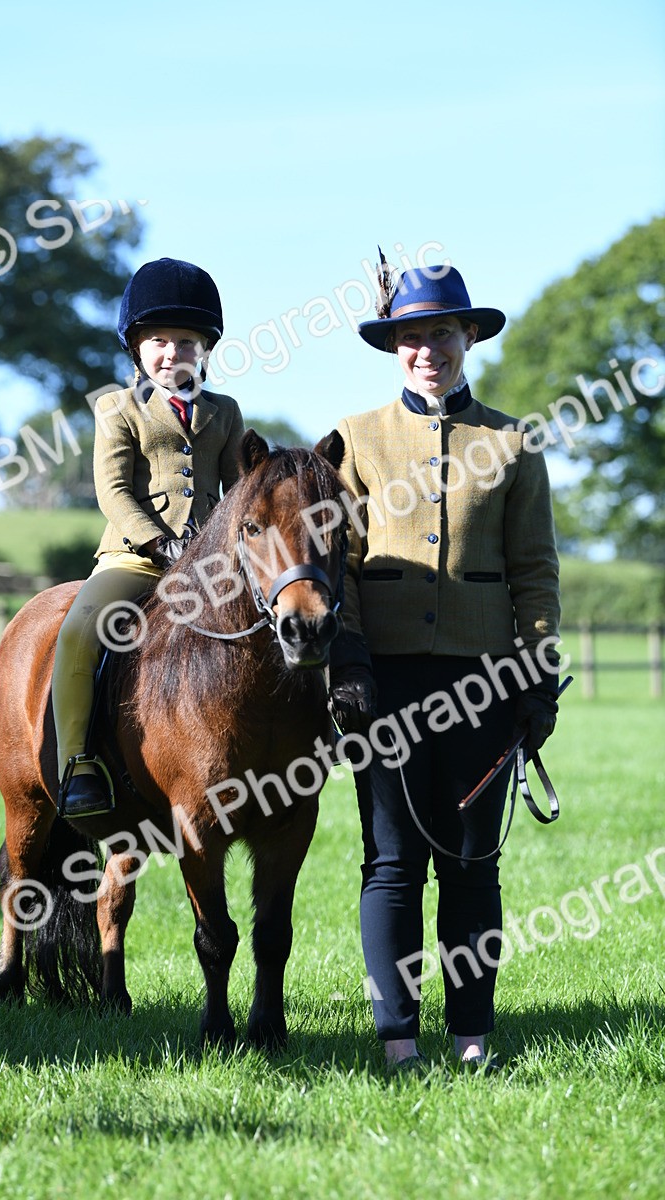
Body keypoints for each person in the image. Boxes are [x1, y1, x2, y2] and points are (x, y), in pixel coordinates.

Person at [329, 261, 561, 1070]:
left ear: (469, 337)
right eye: (412, 336)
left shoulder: (511, 440)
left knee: (472, 863)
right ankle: (397, 1039)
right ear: (394, 347)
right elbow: (340, 566)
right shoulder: (354, 439)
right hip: (386, 682)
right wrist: (349, 662)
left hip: (482, 680)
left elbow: (534, 569)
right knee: (392, 863)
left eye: (442, 333)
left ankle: (471, 1037)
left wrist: (534, 676)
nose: (427, 348)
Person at [52, 257, 245, 818]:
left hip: (212, 562)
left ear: (205, 349)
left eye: (186, 341)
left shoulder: (226, 412)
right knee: (79, 632)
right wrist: (161, 544)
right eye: (158, 340)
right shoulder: (118, 409)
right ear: (137, 348)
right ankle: (77, 765)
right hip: (137, 560)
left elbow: (237, 490)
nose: (172, 353)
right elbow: (112, 489)